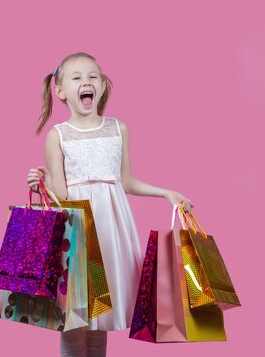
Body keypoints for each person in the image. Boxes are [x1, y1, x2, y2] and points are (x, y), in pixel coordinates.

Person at [26, 52, 194, 356]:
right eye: (76, 77)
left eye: (92, 76)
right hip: (78, 231)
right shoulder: (58, 136)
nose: (86, 82)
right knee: (75, 317)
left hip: (112, 231)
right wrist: (44, 182)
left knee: (99, 319)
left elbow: (126, 181)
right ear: (61, 91)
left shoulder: (119, 129)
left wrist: (166, 193)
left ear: (102, 86)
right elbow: (60, 194)